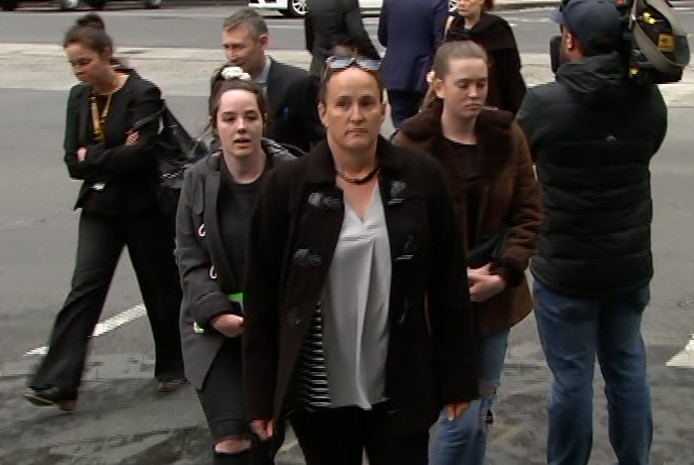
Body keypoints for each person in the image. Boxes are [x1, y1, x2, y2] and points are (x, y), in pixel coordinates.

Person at [242, 56, 481, 465]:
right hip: (320, 394)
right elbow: (262, 297)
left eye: (368, 103)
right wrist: (261, 396)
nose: (356, 116)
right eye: (343, 104)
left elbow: (448, 287)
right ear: (323, 112)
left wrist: (458, 378)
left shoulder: (422, 177)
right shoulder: (287, 187)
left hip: (400, 384)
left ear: (384, 108)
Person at [515, 0, 668, 464]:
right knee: (627, 368)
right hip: (627, 263)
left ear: (570, 41)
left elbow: (518, 162)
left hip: (566, 269)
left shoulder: (545, 104)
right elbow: (649, 147)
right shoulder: (647, 99)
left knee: (572, 377)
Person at [24, 13, 185, 411]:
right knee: (84, 288)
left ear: (107, 55)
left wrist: (94, 155)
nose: (79, 71)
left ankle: (174, 364)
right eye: (73, 64)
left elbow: (141, 155)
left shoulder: (142, 93)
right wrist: (109, 155)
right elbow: (72, 162)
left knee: (160, 288)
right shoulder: (78, 98)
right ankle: (58, 382)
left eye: (84, 62)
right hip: (99, 207)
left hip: (145, 208)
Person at [394, 40, 541, 465]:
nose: (475, 94)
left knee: (478, 414)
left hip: (495, 298)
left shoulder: (506, 134)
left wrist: (502, 273)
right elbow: (398, 227)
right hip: (434, 305)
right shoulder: (412, 143)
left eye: (482, 84)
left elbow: (529, 214)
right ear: (439, 86)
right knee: (458, 418)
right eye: (464, 85)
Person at [175, 66, 295, 465]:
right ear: (215, 126)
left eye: (250, 117)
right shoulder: (197, 179)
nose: (240, 127)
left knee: (262, 440)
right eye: (229, 119)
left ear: (264, 121)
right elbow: (189, 255)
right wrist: (214, 309)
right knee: (231, 440)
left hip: (277, 330)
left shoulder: (293, 176)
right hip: (217, 331)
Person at [221, 8, 323, 152]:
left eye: (238, 47)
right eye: (227, 47)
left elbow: (319, 140)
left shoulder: (298, 84)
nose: (231, 55)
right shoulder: (223, 82)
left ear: (263, 42)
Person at [443, 0, 526, 115]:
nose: (461, 4)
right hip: (457, 93)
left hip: (491, 95)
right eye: (459, 0)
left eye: (467, 0)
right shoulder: (455, 25)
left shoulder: (495, 27)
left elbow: (510, 70)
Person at [378, 0, 448, 129]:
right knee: (427, 123)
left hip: (396, 71)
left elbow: (382, 37)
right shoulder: (438, 2)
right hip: (425, 72)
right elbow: (440, 40)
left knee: (400, 124)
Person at [304, 0, 380, 78]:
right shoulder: (347, 2)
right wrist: (374, 56)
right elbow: (357, 34)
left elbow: (310, 38)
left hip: (318, 67)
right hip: (343, 65)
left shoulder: (311, 2)